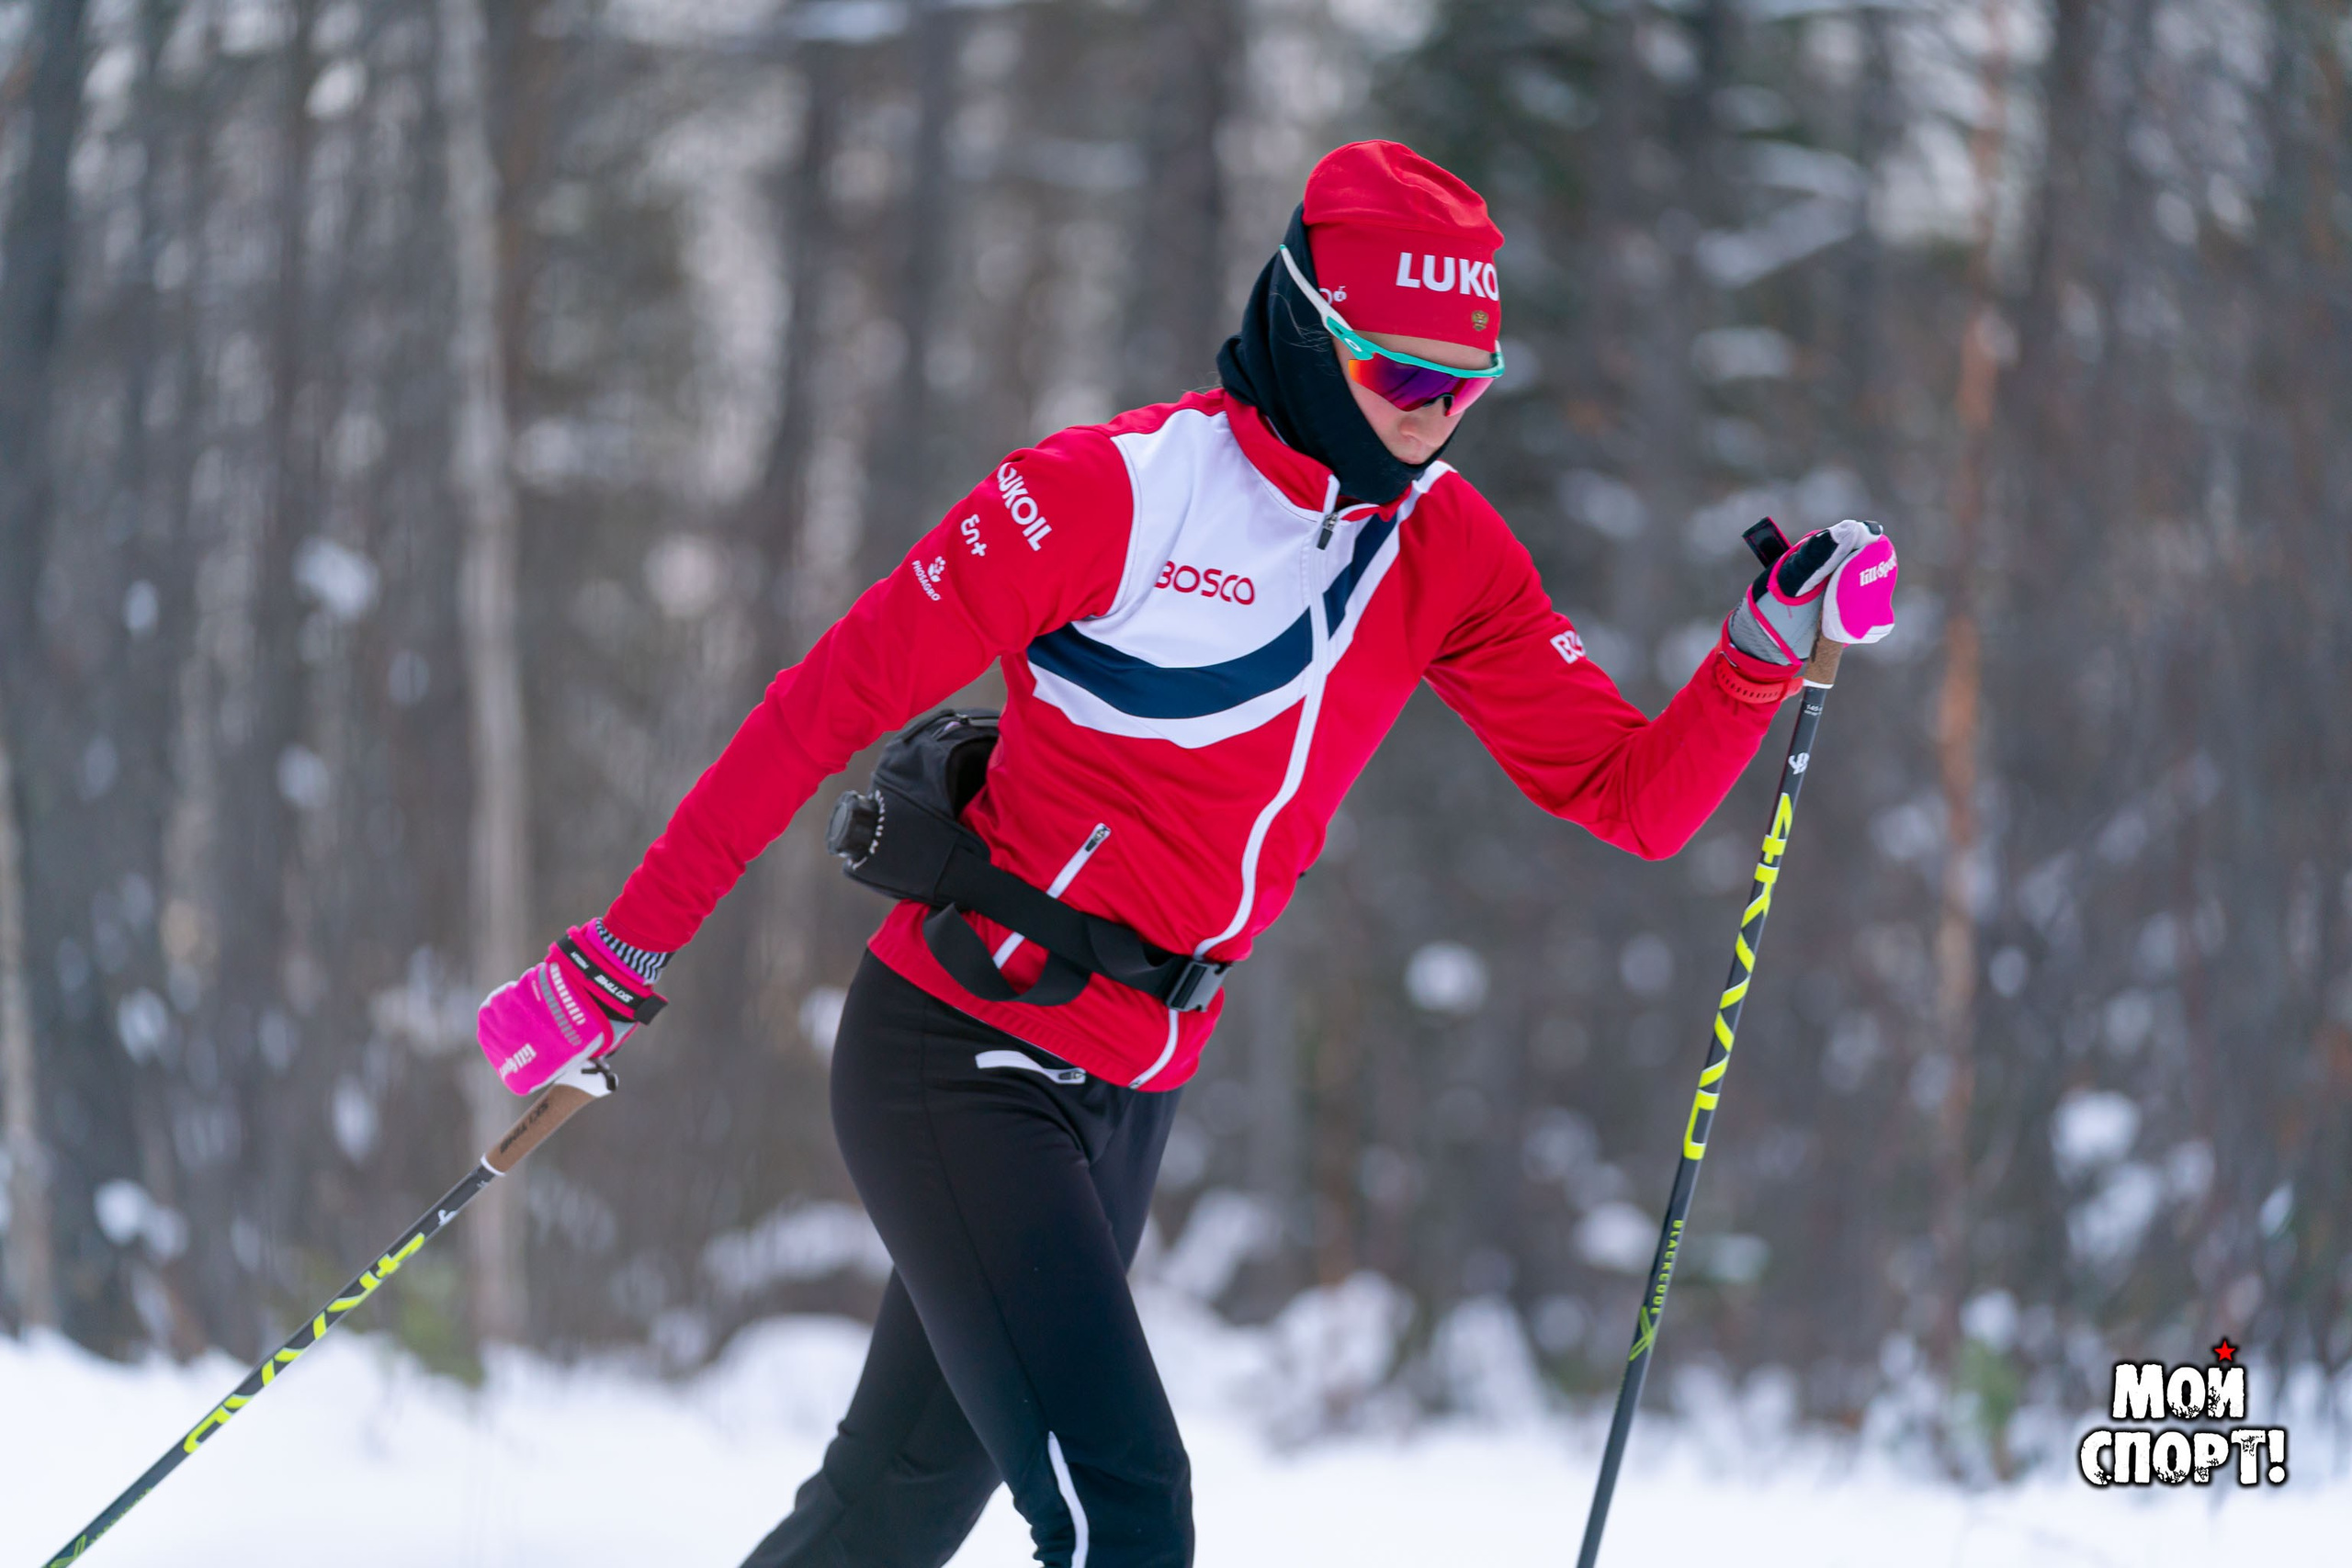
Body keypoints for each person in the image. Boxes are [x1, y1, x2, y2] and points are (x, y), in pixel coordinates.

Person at [475, 141, 1898, 1567]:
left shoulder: (1444, 551)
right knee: (1128, 1513)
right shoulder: (1111, 495)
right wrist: (618, 956)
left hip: (1128, 1091)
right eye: (1401, 376)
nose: (1433, 419)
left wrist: (1759, 652)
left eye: (1467, 386)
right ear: (1307, 328)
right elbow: (818, 711)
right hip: (962, 1054)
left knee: (891, 1508)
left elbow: (1629, 797)